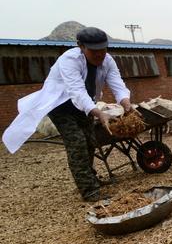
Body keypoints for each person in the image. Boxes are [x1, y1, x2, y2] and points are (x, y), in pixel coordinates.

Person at [2, 27, 132, 201]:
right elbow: (76, 90)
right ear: (81, 46)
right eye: (94, 51)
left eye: (103, 49)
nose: (100, 55)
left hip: (85, 104)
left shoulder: (107, 60)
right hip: (61, 105)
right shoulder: (69, 60)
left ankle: (91, 179)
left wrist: (126, 102)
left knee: (90, 142)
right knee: (77, 142)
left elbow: (116, 82)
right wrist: (98, 113)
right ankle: (89, 190)